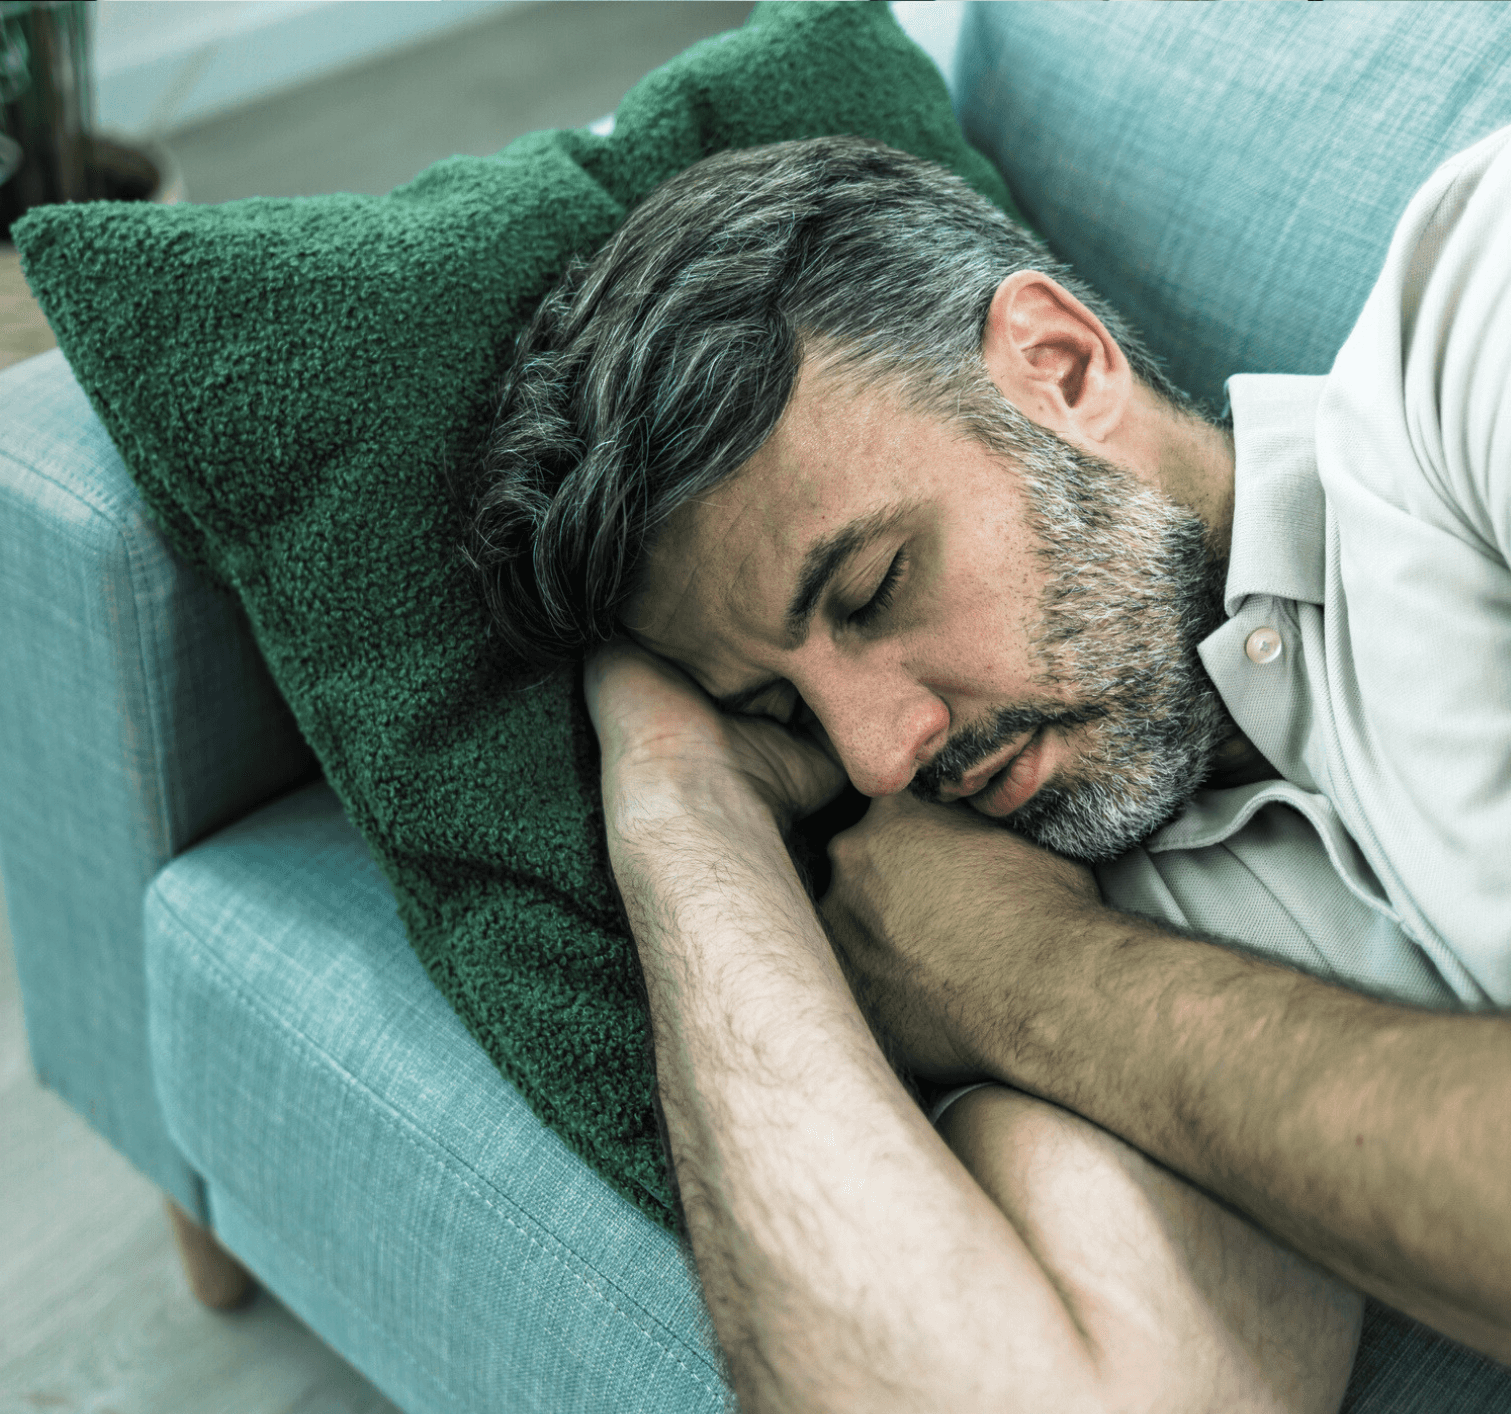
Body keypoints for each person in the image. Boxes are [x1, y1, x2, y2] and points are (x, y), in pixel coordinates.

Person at [468, 130, 1510, 1412]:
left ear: (1061, 368)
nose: (878, 753)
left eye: (873, 587)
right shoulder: (1075, 902)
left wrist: (1029, 980)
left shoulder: (1470, 314)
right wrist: (682, 808)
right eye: (780, 711)